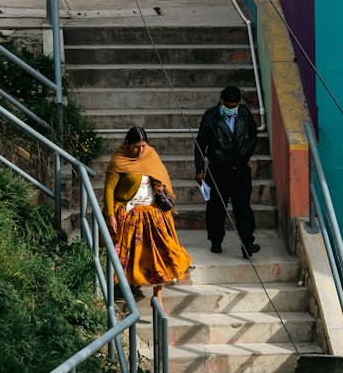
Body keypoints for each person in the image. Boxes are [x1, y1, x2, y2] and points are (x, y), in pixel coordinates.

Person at [104, 126, 191, 307]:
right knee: (129, 258)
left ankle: (157, 297)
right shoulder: (118, 161)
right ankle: (128, 293)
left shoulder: (151, 155)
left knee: (160, 255)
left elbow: (160, 176)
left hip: (153, 212)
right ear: (127, 144)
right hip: (130, 213)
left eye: (143, 146)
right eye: (136, 147)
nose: (141, 150)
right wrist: (110, 215)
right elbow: (109, 190)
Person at [194, 84, 260, 258]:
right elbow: (200, 143)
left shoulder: (244, 114)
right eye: (228, 106)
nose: (231, 109)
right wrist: (199, 169)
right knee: (216, 208)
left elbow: (253, 135)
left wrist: (246, 151)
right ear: (222, 101)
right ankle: (216, 241)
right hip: (218, 170)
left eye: (234, 106)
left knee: (243, 208)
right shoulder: (211, 116)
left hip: (240, 170)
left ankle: (247, 244)